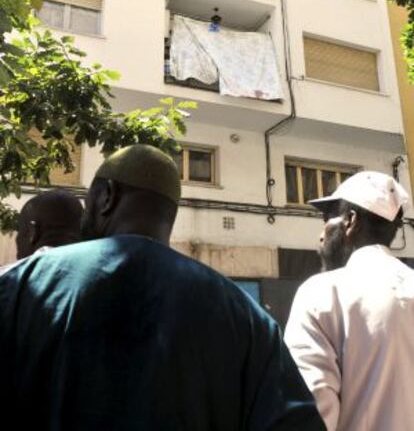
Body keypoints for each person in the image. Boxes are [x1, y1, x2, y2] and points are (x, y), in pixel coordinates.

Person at [0, 144, 325, 431]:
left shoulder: (21, 286)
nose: (83, 219)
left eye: (89, 200)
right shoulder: (246, 317)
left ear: (107, 196)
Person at [284, 171, 414, 431]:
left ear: (350, 221)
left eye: (326, 220)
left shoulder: (321, 293)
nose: (322, 236)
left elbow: (311, 414)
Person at [0, 189, 83, 276]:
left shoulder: (9, 279)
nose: (17, 240)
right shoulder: (94, 277)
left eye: (21, 231)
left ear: (33, 232)